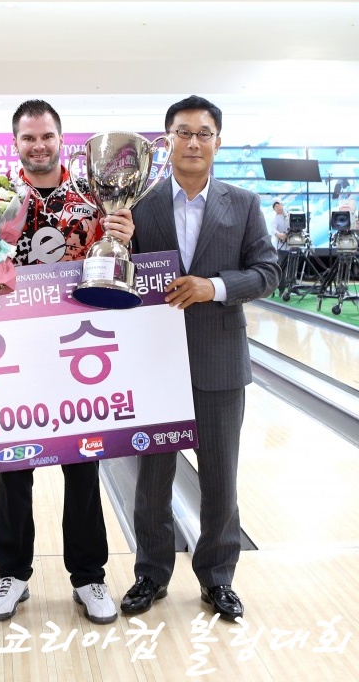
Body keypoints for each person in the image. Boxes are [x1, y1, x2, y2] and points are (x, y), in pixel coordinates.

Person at [0, 99, 135, 625]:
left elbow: (117, 266)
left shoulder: (94, 196)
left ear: (60, 140)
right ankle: (12, 574)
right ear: (15, 143)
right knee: (13, 469)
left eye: (46, 136)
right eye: (28, 137)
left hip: (79, 351)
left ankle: (89, 576)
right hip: (16, 352)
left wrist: (124, 235)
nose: (38, 145)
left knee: (83, 467)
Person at [119, 95, 280, 621]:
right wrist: (118, 245)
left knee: (220, 478)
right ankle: (151, 573)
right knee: (152, 480)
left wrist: (214, 287)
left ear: (218, 141)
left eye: (203, 133)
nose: (193, 142)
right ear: (166, 140)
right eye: (183, 132)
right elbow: (121, 278)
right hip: (155, 364)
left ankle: (217, 578)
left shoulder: (243, 203)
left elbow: (267, 272)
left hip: (219, 361)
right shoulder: (138, 206)